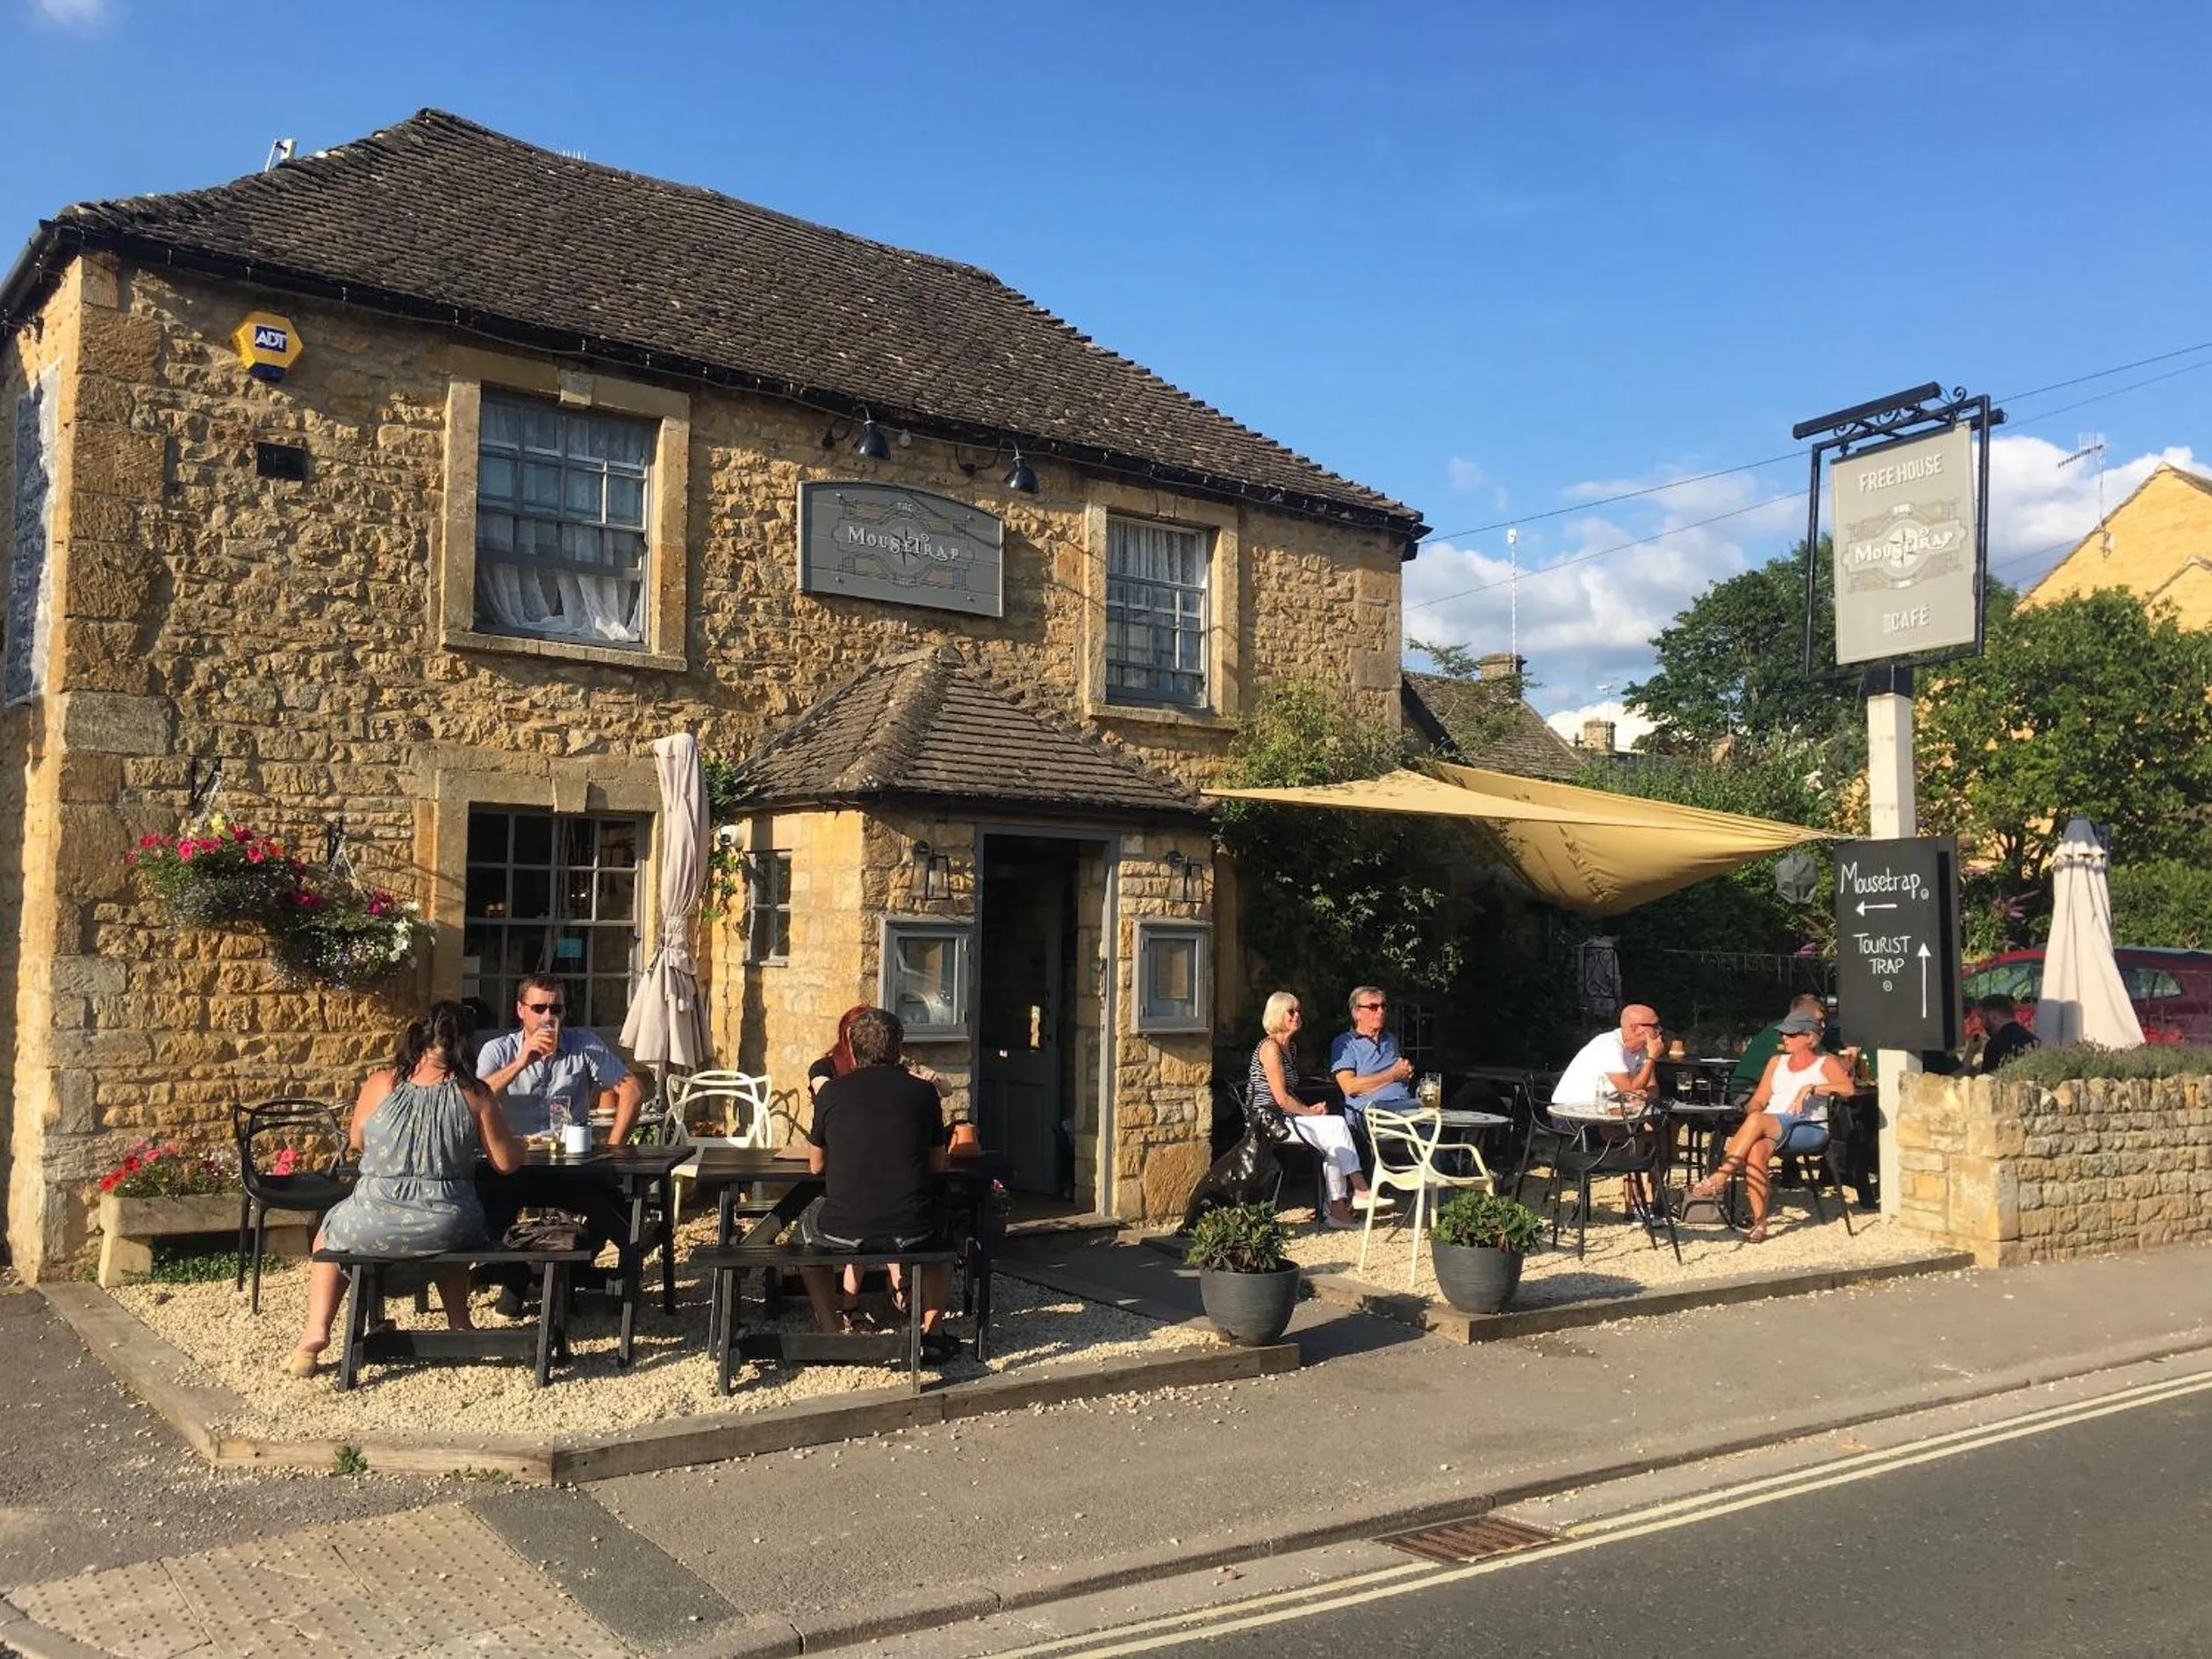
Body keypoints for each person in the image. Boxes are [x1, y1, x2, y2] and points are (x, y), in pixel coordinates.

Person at [285, 1002, 524, 1376]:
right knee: (454, 1222)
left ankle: (315, 1331)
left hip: (372, 1221)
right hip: (445, 1223)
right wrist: (521, 1143)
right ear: (467, 1045)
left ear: (419, 1039)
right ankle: (459, 1323)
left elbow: (358, 1139)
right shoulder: (474, 1093)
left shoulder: (382, 1082)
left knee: (328, 1234)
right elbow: (506, 1163)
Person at [473, 974, 646, 1315]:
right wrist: (522, 1061)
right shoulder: (499, 1050)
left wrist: (613, 1147)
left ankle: (601, 1273)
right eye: (539, 1007)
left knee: (617, 1212)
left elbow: (632, 1089)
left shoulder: (583, 1044)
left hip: (570, 1163)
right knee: (483, 1220)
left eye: (556, 1008)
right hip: (516, 1163)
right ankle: (515, 1275)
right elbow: (476, 1097)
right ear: (521, 1011)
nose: (547, 1016)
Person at [798, 1007, 959, 1361]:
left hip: (844, 1226)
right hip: (913, 1227)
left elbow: (815, 1166)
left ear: (853, 1051)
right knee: (943, 1237)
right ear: (898, 1048)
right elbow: (936, 1163)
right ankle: (933, 1332)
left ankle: (830, 1329)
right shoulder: (923, 1094)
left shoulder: (832, 1093)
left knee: (804, 1236)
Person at [1691, 1009, 1856, 1241]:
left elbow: (1848, 1089)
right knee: (1756, 1150)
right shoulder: (1777, 1062)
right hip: (1773, 1123)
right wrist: (1754, 1113)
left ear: (1809, 1037)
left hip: (1810, 1127)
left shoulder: (1825, 1062)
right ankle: (1760, 1223)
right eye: (1784, 1035)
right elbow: (1759, 1099)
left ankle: (1720, 1176)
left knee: (1758, 1121)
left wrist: (1811, 1088)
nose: (1784, 1039)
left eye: (1791, 1034)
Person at [1252, 991, 1377, 1229]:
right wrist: (1309, 1113)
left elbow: (1288, 1094)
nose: (1297, 1015)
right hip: (1269, 1121)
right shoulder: (1270, 1048)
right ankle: (1358, 1189)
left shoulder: (1290, 1049)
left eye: (1299, 1010)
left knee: (1334, 1135)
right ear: (1277, 1014)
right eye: (1291, 1011)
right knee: (1336, 1125)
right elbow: (1281, 1098)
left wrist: (1309, 1109)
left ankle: (1339, 1209)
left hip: (1285, 1117)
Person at [1329, 985, 1417, 1133]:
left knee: (1439, 1118)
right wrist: (1392, 1075)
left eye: (1383, 1006)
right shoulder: (1345, 1043)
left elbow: (1398, 1076)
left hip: (1405, 1105)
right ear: (1357, 1013)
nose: (1381, 1011)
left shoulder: (1390, 1040)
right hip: (1371, 1112)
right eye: (1373, 1007)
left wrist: (1405, 1071)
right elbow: (1350, 1087)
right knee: (1429, 1120)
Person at [1551, 1004, 1664, 1112]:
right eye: (1654, 1026)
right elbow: (1629, 1090)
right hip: (1572, 1110)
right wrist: (1652, 1058)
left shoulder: (1644, 1049)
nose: (1660, 1030)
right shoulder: (1608, 1044)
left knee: (1661, 1122)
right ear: (1634, 1028)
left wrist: (1647, 1096)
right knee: (1634, 1127)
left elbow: (1652, 1087)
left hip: (1606, 1108)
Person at [1729, 994, 1832, 1099]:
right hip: (1748, 1090)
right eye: (1819, 1020)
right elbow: (1787, 1071)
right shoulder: (1781, 1032)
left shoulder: (1806, 1035)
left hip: (1770, 1089)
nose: (1823, 1025)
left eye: (1824, 1021)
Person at [1973, 993, 2041, 1073]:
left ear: (1994, 1017)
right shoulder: (2033, 1040)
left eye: (1982, 1017)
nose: (1981, 1023)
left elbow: (1987, 1080)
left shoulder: (1995, 1045)